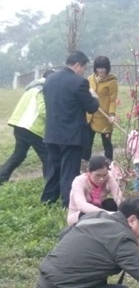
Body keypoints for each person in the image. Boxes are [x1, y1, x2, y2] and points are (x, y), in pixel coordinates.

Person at [40, 51, 100, 208]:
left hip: (52, 133)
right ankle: (68, 204)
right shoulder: (79, 82)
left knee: (54, 170)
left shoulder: (49, 80)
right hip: (71, 135)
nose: (83, 72)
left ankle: (47, 201)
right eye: (83, 68)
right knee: (69, 171)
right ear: (77, 65)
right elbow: (91, 107)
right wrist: (95, 97)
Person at [0, 69, 55, 185]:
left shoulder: (31, 88)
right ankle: (49, 182)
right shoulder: (42, 89)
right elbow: (43, 110)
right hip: (32, 128)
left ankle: (1, 177)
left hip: (19, 125)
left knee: (19, 155)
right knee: (47, 156)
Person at [67, 155, 123, 226]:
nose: (102, 179)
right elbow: (82, 205)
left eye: (104, 175)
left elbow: (118, 197)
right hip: (80, 214)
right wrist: (106, 213)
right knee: (88, 215)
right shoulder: (79, 181)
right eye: (98, 175)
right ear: (89, 172)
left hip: (99, 208)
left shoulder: (109, 178)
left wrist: (124, 213)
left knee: (111, 204)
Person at [83, 56, 119, 162]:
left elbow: (113, 100)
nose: (101, 70)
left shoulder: (112, 82)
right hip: (91, 116)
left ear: (107, 68)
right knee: (87, 143)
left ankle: (109, 164)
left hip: (104, 117)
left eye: (103, 68)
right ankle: (85, 163)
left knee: (107, 143)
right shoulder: (90, 79)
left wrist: (112, 114)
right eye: (98, 68)